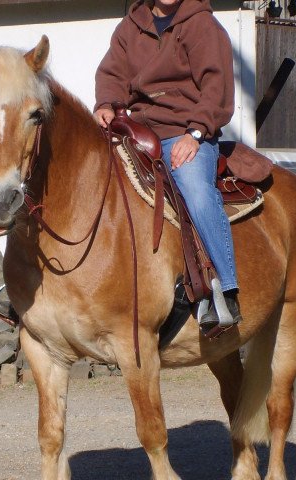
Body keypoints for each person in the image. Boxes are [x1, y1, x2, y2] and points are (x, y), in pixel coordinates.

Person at [93, 0, 242, 332]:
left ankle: (226, 289)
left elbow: (215, 87)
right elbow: (113, 75)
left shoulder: (201, 24)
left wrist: (196, 132)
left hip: (185, 132)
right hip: (138, 133)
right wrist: (105, 103)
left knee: (195, 190)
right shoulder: (130, 28)